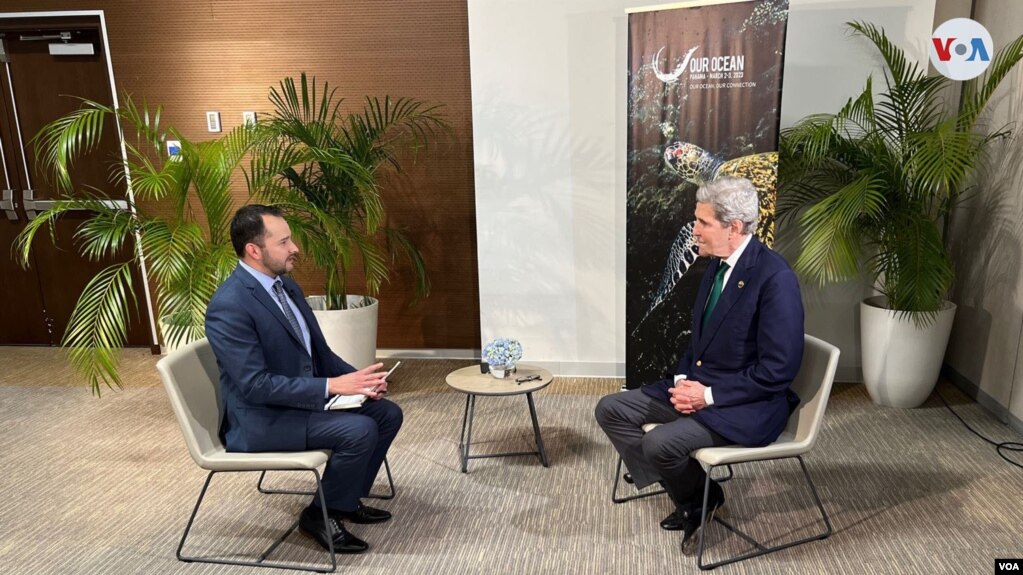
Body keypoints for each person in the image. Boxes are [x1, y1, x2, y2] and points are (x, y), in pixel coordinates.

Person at [595, 176, 803, 552]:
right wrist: (681, 382)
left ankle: (696, 499)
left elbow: (778, 371)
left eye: (703, 222)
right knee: (610, 408)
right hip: (698, 385)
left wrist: (706, 395)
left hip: (745, 405)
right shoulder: (716, 265)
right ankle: (696, 496)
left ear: (734, 227)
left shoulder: (776, 279)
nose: (695, 230)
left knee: (660, 444)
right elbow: (698, 340)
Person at [205, 204, 403, 554]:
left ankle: (342, 501)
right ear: (254, 250)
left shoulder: (287, 287)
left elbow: (320, 355)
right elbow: (255, 385)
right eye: (284, 242)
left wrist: (357, 379)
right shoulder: (230, 305)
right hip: (261, 419)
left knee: (387, 413)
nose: (295, 247)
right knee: (358, 431)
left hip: (299, 403)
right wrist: (331, 387)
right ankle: (320, 516)